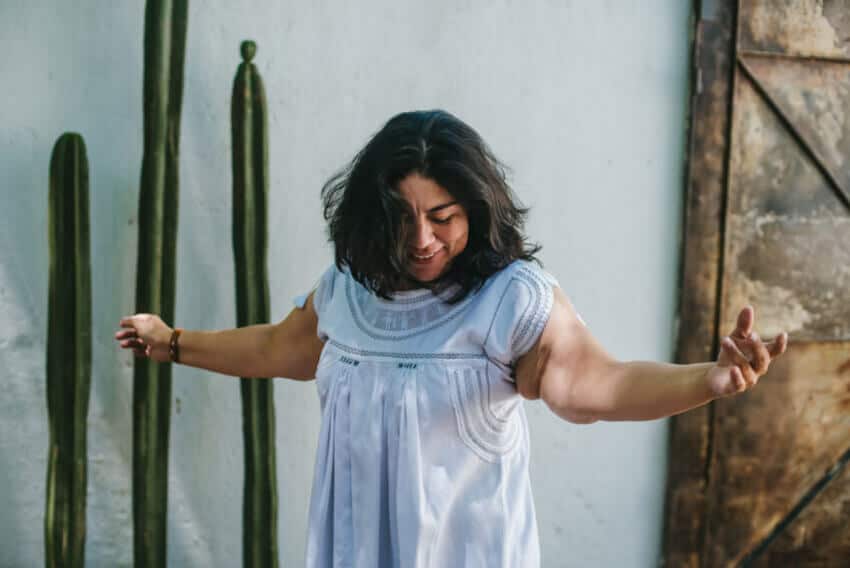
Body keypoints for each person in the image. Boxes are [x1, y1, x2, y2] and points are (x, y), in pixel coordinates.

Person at [115, 109, 788, 567]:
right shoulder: (348, 289)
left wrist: (708, 379)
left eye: (443, 217)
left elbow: (592, 384)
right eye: (402, 219)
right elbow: (276, 349)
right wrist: (173, 342)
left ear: (476, 208)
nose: (422, 240)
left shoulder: (510, 297)